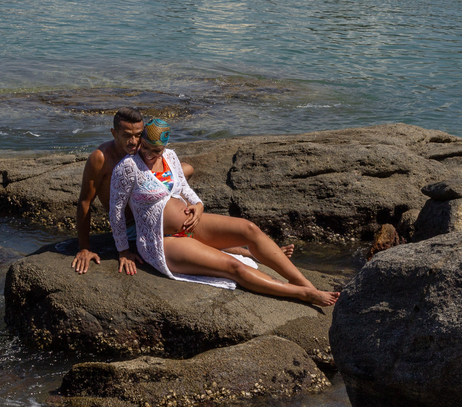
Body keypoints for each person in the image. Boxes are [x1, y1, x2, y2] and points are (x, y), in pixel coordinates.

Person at [108, 119, 338, 307]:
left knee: (249, 229)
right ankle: (302, 294)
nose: (148, 154)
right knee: (234, 267)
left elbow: (184, 188)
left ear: (164, 147)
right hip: (162, 240)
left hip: (193, 225)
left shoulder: (170, 157)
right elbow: (116, 210)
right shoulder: (128, 167)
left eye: (155, 150)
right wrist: (124, 251)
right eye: (145, 147)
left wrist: (198, 206)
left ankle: (305, 283)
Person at [71, 107, 194, 274]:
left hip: (152, 214)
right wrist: (84, 248)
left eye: (138, 135)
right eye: (127, 135)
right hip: (130, 227)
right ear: (114, 133)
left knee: (186, 169)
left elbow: (182, 169)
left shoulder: (143, 151)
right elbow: (85, 202)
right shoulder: (101, 158)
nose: (134, 141)